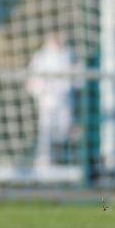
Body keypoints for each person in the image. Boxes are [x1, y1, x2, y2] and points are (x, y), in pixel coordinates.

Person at [26, 32, 78, 169]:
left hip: (64, 104)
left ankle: (65, 160)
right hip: (47, 103)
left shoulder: (69, 56)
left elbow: (77, 80)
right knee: (46, 133)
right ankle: (43, 162)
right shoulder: (40, 57)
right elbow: (32, 80)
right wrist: (38, 91)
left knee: (63, 133)